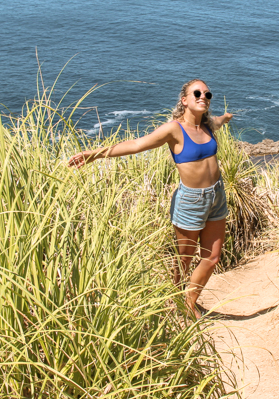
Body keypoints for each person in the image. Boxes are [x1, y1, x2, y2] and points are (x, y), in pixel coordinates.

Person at [68, 79, 233, 318]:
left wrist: (226, 117)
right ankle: (174, 302)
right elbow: (136, 144)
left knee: (212, 257)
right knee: (183, 261)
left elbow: (218, 122)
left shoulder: (207, 125)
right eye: (197, 93)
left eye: (207, 94)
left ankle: (188, 303)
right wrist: (93, 155)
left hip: (217, 195)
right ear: (184, 100)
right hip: (191, 201)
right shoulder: (174, 129)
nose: (203, 97)